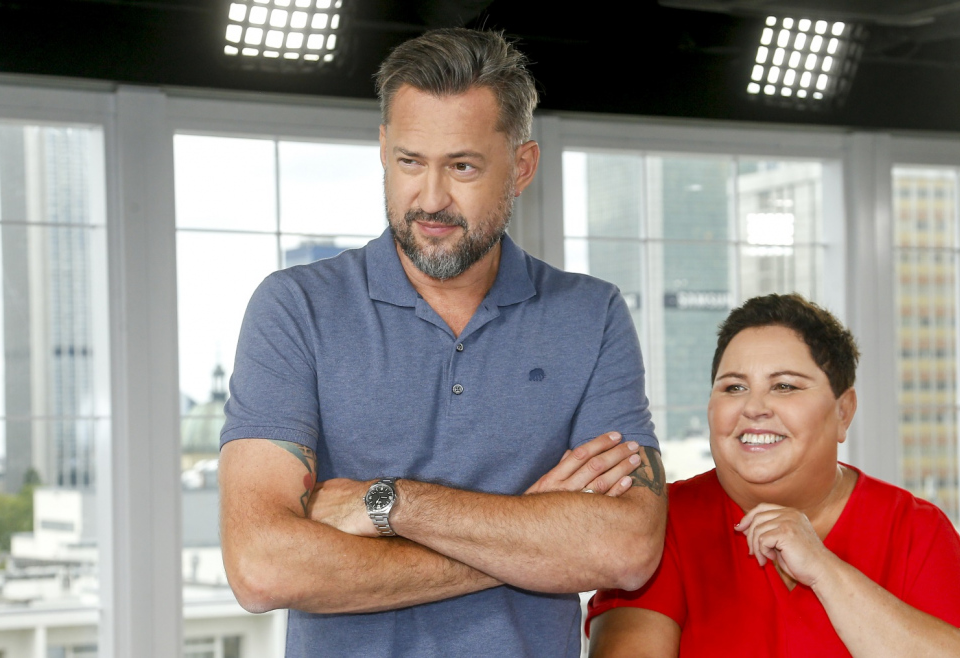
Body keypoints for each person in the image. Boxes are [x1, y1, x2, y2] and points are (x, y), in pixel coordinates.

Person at [218, 28, 666, 658]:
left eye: (462, 166)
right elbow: (262, 567)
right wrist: (529, 537)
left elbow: (626, 548)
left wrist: (388, 503)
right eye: (409, 162)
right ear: (383, 150)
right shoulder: (295, 308)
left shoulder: (591, 315)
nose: (430, 199)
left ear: (522, 167)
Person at [587, 293, 960, 657]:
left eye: (785, 386)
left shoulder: (914, 529)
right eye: (733, 388)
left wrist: (823, 568)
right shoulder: (660, 524)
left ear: (843, 412)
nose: (754, 408)